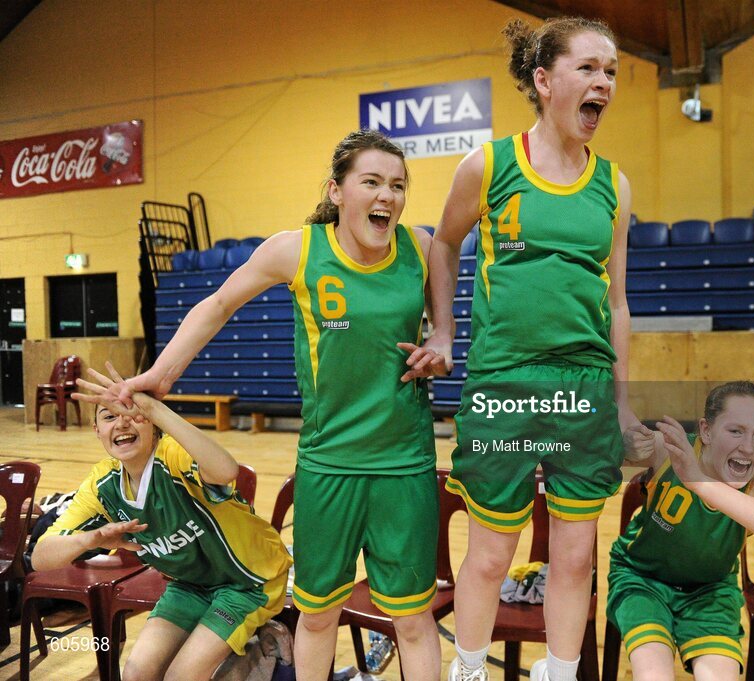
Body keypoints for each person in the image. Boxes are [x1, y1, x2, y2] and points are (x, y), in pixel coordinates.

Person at [117, 130, 445, 681]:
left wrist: (442, 343)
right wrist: (160, 374)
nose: (387, 195)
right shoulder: (298, 250)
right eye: (371, 182)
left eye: (397, 184)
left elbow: (450, 325)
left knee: (413, 620)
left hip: (404, 464)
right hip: (326, 466)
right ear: (337, 191)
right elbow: (217, 304)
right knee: (317, 616)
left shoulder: (422, 247)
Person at [423, 16, 652, 681]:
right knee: (492, 555)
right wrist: (442, 331)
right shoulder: (490, 164)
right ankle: (467, 670)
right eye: (588, 68)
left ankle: (557, 672)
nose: (603, 82)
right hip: (503, 385)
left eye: (610, 71)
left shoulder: (614, 184)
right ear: (544, 78)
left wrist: (621, 402)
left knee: (575, 557)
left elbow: (616, 301)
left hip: (581, 389)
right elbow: (442, 242)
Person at [35, 363, 292, 681]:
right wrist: (92, 538)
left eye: (134, 412)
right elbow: (40, 557)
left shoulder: (174, 456)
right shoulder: (101, 484)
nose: (122, 423)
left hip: (249, 581)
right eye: (110, 416)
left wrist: (156, 407)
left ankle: (263, 654)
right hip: (189, 586)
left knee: (181, 676)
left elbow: (226, 470)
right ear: (97, 430)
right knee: (136, 674)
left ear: (154, 425)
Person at [608, 381, 754, 681]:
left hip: (711, 592)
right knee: (653, 675)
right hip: (642, 579)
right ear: (706, 431)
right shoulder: (671, 450)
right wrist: (624, 445)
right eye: (735, 431)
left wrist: (699, 482)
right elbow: (601, 450)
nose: (748, 447)